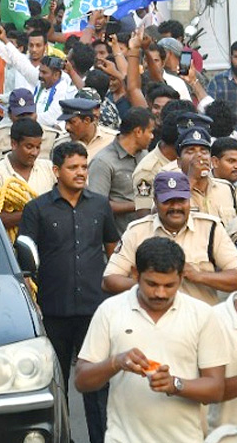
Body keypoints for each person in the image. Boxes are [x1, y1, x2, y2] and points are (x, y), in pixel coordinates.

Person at [76, 237, 227, 443]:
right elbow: (82, 381)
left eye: (169, 285)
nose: (160, 293)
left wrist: (175, 384)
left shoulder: (202, 315)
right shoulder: (110, 311)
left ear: (182, 277)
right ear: (135, 274)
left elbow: (216, 390)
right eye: (152, 284)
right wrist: (115, 362)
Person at [18, 140, 120, 443]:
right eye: (73, 167)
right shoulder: (36, 209)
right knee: (57, 382)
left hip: (93, 309)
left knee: (97, 383)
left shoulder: (100, 205)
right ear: (56, 171)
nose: (80, 173)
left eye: (84, 166)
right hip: (53, 308)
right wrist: (32, 302)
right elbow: (25, 258)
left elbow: (113, 250)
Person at [103, 171, 237, 304]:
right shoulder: (137, 231)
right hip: (151, 319)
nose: (176, 207)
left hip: (200, 321)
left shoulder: (210, 228)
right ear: (155, 201)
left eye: (181, 200)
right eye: (168, 201)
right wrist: (150, 282)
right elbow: (110, 280)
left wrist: (198, 276)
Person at [87, 106, 154, 233]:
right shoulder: (103, 162)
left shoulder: (144, 154)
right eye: (150, 131)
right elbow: (96, 205)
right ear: (138, 132)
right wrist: (139, 205)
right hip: (120, 239)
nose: (152, 136)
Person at [0, 118, 55, 230]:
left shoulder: (49, 168)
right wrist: (32, 213)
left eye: (38, 147)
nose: (34, 153)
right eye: (29, 147)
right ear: (14, 144)